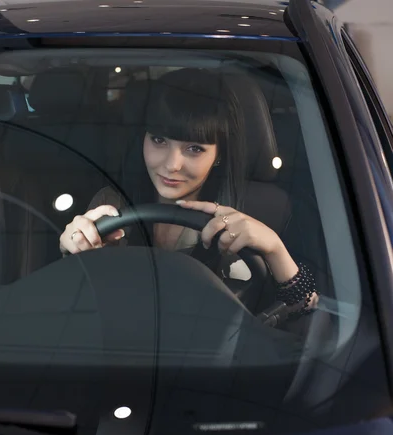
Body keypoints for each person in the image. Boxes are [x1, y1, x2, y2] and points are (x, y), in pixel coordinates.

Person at [59, 68, 317, 320]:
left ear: (218, 155)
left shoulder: (256, 212)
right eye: (159, 140)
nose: (172, 164)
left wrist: (274, 248)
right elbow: (71, 307)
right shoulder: (110, 204)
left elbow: (305, 311)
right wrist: (72, 253)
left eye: (194, 148)